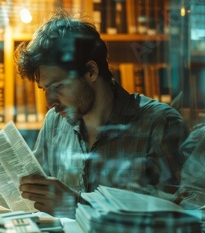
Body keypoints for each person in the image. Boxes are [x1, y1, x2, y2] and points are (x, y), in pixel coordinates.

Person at [15, 9, 193, 218]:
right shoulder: (54, 123)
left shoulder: (160, 125)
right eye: (45, 89)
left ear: (91, 71)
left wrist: (77, 207)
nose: (49, 103)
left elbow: (179, 219)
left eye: (59, 86)